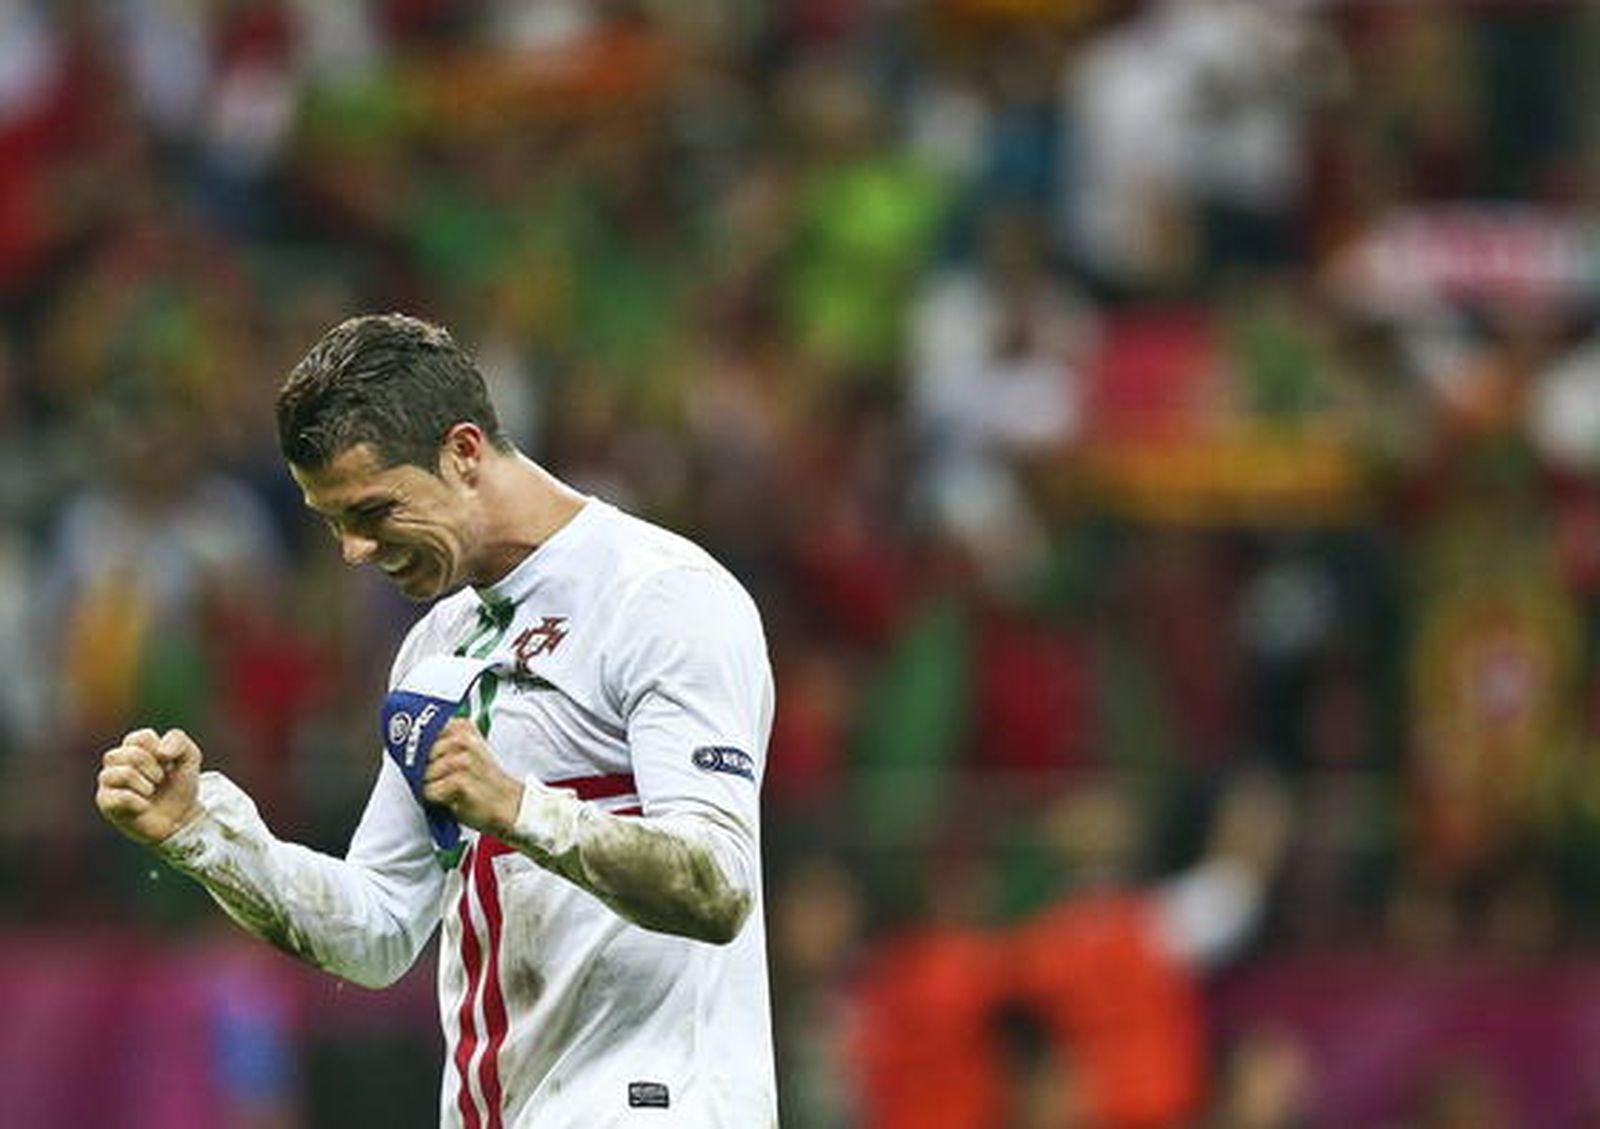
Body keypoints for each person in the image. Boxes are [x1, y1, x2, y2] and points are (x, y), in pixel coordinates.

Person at [94, 313, 778, 1127]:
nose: (352, 550)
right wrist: (203, 833)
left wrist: (523, 808)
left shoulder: (660, 596)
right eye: (330, 521)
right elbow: (378, 930)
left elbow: (718, 883)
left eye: (373, 510)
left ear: (462, 453)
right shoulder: (437, 648)